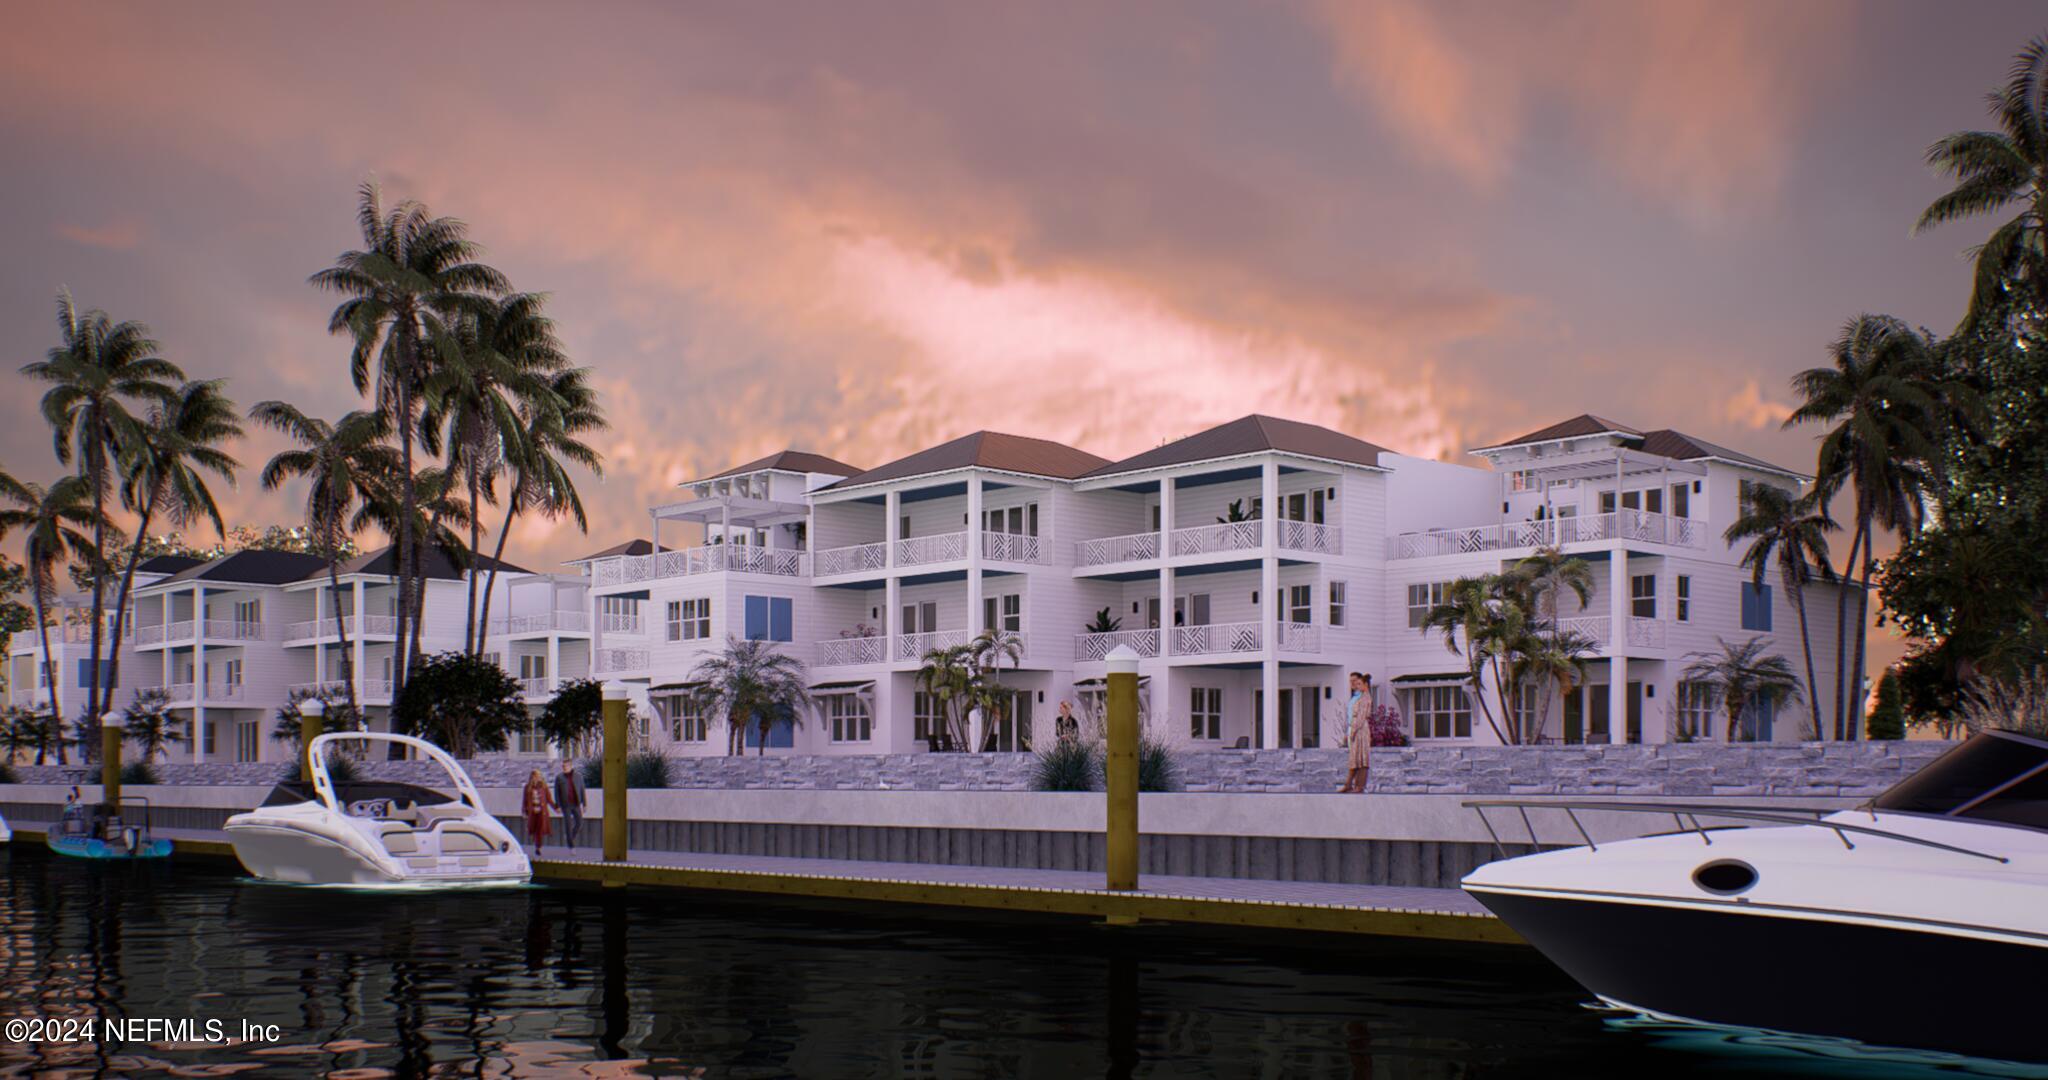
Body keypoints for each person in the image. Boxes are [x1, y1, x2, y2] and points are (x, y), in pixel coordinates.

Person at [1339, 672, 1373, 794]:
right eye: (1353, 682)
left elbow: (1361, 717)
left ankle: (1358, 786)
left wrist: (1353, 731)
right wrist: (1349, 732)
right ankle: (1350, 784)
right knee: (1355, 758)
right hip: (1354, 728)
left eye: (1358, 682)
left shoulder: (1364, 697)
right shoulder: (1356, 697)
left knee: (1361, 758)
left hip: (1360, 730)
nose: (1355, 685)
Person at [553, 759, 587, 850]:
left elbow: (582, 790)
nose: (564, 768)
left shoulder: (578, 777)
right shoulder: (559, 778)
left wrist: (584, 804)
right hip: (565, 804)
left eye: (566, 766)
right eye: (563, 766)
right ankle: (571, 845)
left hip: (576, 803)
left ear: (571, 766)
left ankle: (570, 836)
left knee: (579, 822)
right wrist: (557, 806)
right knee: (568, 824)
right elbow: (556, 793)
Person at [522, 769, 557, 855]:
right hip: (532, 812)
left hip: (542, 812)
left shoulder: (543, 787)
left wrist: (556, 808)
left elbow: (549, 799)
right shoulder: (527, 787)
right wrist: (524, 811)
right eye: (534, 776)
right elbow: (525, 801)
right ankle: (536, 844)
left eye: (538, 776)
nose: (536, 778)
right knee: (533, 829)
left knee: (540, 829)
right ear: (531, 777)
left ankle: (538, 847)